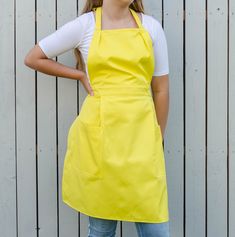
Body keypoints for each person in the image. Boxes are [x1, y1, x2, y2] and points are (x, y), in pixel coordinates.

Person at [24, 0, 170, 236]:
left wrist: (157, 138)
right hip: (99, 143)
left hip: (141, 140)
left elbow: (161, 90)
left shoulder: (151, 28)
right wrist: (79, 75)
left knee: (156, 230)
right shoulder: (86, 25)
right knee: (101, 230)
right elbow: (33, 58)